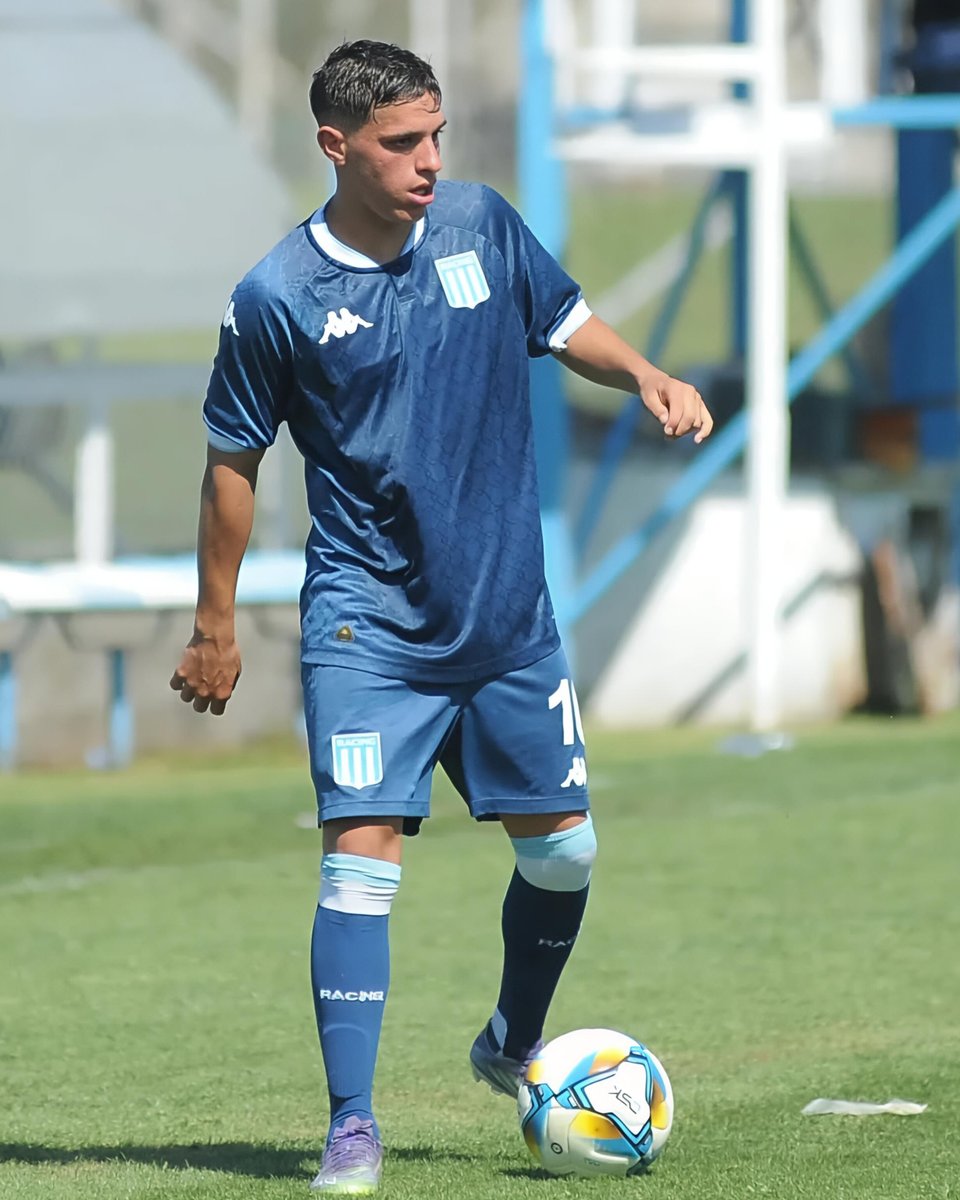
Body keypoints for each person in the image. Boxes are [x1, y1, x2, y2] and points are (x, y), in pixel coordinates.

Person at [170, 39, 713, 1195]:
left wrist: (650, 375)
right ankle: (352, 1127)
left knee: (565, 856)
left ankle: (514, 1043)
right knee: (360, 868)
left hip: (507, 616)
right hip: (372, 625)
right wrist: (214, 623)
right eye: (400, 144)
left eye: (435, 137)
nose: (428, 163)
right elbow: (232, 462)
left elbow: (564, 322)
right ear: (336, 147)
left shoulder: (480, 223)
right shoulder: (278, 297)